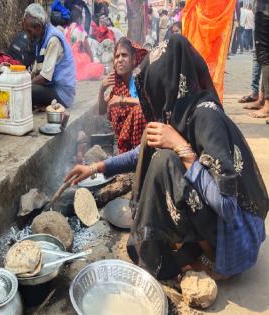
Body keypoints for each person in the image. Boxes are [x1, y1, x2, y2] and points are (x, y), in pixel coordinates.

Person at [66, 35, 268, 281]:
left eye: (155, 91)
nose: (154, 101)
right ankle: (195, 245)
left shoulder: (206, 118)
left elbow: (227, 205)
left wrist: (181, 147)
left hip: (236, 243)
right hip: (224, 227)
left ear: (169, 85)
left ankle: (213, 259)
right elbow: (142, 151)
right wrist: (95, 167)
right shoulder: (183, 112)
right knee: (154, 144)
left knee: (165, 163)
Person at [98, 37, 148, 153]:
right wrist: (102, 89)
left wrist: (123, 100)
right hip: (123, 142)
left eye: (124, 55)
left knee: (139, 111)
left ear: (134, 60)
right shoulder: (117, 86)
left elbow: (150, 105)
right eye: (117, 56)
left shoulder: (140, 80)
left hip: (143, 141)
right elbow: (101, 110)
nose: (120, 60)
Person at [24, 3, 76, 108]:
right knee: (25, 89)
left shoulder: (53, 39)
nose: (27, 35)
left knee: (28, 91)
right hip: (52, 88)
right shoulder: (41, 38)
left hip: (63, 94)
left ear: (38, 27)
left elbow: (44, 78)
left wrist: (24, 86)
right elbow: (35, 71)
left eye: (29, 31)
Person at [64, 5, 104, 81]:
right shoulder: (80, 30)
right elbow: (87, 48)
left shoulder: (66, 30)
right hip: (77, 62)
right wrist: (92, 61)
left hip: (67, 62)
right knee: (96, 64)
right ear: (79, 19)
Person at [249, 0, 269, 119]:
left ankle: (267, 105)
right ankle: (262, 99)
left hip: (265, 10)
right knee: (264, 57)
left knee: (265, 57)